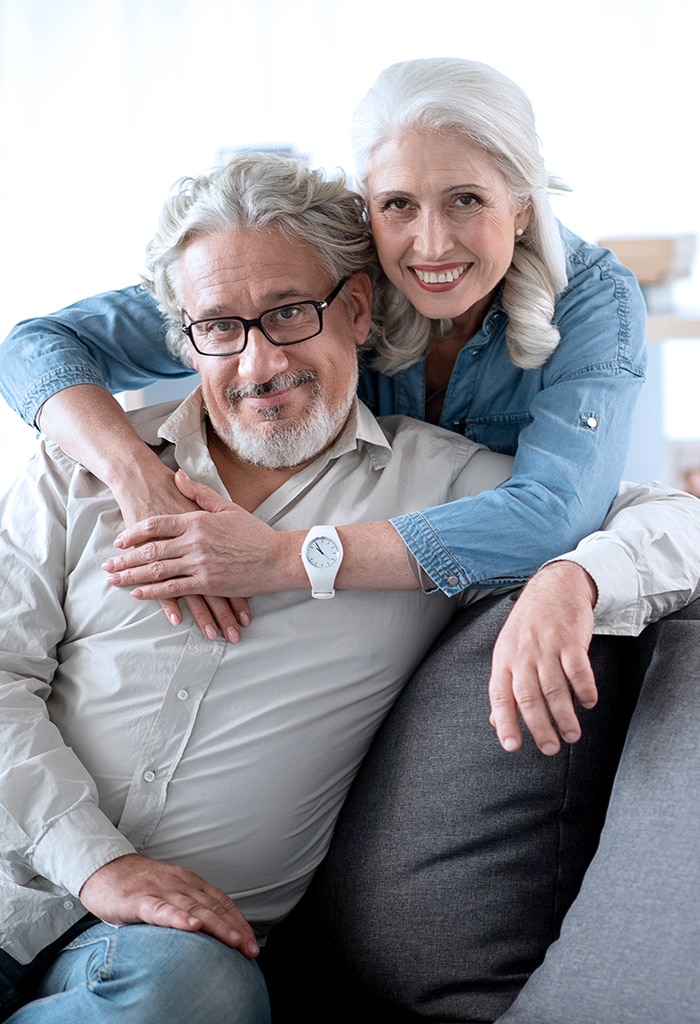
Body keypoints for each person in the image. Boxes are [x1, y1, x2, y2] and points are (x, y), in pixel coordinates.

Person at [0, 153, 698, 1024]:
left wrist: (574, 575)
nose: (259, 364)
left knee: (195, 995)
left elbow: (676, 522)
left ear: (358, 309)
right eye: (219, 326)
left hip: (163, 957)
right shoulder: (83, 471)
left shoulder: (449, 492)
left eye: (289, 313)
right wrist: (98, 865)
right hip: (11, 878)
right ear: (184, 340)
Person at [0, 60, 647, 735]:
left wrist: (285, 558)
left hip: (403, 600)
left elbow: (556, 513)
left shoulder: (594, 300)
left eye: (466, 199)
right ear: (370, 202)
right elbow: (36, 347)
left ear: (521, 204)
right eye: (398, 203)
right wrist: (137, 476)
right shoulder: (336, 262)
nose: (429, 243)